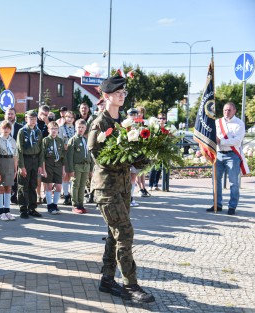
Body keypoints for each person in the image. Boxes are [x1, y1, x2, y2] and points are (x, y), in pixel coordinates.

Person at [88, 76, 155, 303]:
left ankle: (107, 280)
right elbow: (100, 158)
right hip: (106, 189)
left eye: (124, 92)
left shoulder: (124, 124)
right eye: (118, 92)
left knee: (114, 235)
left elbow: (133, 156)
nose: (122, 95)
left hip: (124, 187)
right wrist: (128, 161)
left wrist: (143, 158)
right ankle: (130, 285)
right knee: (125, 233)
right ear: (106, 96)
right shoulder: (99, 123)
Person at [207, 102, 247, 215]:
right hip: (218, 154)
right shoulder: (217, 122)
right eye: (225, 110)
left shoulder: (239, 123)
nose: (226, 112)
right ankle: (217, 204)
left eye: (229, 110)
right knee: (216, 181)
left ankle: (232, 206)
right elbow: (212, 137)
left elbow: (237, 141)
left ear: (234, 111)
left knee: (233, 182)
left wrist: (221, 141)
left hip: (232, 155)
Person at [16, 110, 44, 219]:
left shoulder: (38, 132)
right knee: (23, 185)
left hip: (35, 160)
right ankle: (23, 209)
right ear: (26, 119)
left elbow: (41, 150)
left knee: (33, 185)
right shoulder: (22, 132)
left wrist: (40, 165)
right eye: (30, 118)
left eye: (34, 119)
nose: (33, 121)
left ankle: (32, 208)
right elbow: (19, 150)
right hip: (26, 159)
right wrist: (21, 166)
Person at [0, 107, 22, 204]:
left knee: (12, 182)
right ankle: (1, 207)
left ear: (15, 115)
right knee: (1, 186)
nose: (10, 115)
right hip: (2, 159)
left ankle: (13, 197)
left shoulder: (19, 127)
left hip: (12, 157)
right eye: (8, 114)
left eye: (12, 114)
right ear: (4, 115)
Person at [66, 119, 92, 214]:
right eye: (78, 127)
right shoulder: (73, 140)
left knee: (83, 185)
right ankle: (75, 204)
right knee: (75, 185)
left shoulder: (86, 140)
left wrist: (91, 168)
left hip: (86, 166)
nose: (80, 129)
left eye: (82, 127)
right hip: (77, 166)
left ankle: (81, 204)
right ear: (75, 128)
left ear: (85, 128)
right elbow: (69, 156)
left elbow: (90, 155)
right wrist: (70, 169)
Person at [42, 121, 65, 214]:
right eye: (52, 129)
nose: (54, 131)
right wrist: (43, 169)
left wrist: (63, 169)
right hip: (48, 165)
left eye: (56, 129)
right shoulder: (46, 140)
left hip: (58, 165)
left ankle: (55, 205)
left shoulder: (60, 141)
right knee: (49, 186)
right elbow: (42, 156)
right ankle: (49, 205)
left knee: (59, 186)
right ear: (48, 130)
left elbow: (63, 156)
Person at [0, 122, 17, 221]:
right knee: (1, 188)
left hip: (10, 163)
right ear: (0, 129)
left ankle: (7, 211)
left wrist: (15, 169)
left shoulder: (12, 141)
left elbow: (15, 156)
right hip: (1, 162)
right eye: (4, 128)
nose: (6, 130)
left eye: (8, 128)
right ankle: (0, 212)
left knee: (8, 188)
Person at [148, 113, 167, 191]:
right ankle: (150, 185)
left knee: (159, 168)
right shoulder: (155, 127)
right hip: (154, 149)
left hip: (162, 150)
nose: (161, 120)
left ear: (166, 120)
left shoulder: (167, 128)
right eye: (160, 118)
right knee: (152, 168)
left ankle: (156, 184)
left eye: (163, 118)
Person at [36, 105, 50, 203]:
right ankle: (38, 195)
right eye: (42, 114)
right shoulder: (34, 121)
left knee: (46, 175)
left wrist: (47, 121)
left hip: (46, 152)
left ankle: (45, 194)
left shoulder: (48, 121)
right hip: (36, 152)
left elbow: (52, 131)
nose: (43, 116)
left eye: (46, 114)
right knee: (37, 175)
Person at [135, 106, 150, 198]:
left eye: (141, 112)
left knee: (143, 170)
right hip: (136, 147)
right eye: (138, 112)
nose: (140, 114)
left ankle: (144, 188)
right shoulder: (134, 122)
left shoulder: (146, 122)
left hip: (144, 147)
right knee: (136, 170)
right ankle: (139, 188)